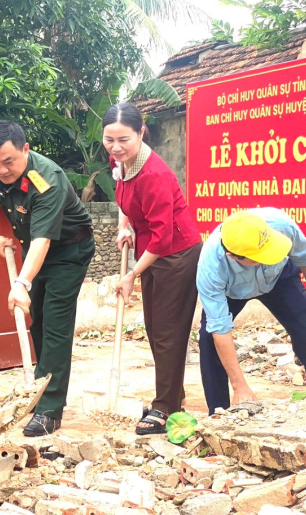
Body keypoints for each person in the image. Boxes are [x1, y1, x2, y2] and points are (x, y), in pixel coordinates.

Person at [0, 120, 95, 436]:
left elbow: (44, 241)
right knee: (37, 322)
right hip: (34, 248)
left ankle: (49, 411)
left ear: (25, 150)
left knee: (54, 323)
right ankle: (43, 389)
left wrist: (21, 283)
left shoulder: (47, 181)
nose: (1, 170)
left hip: (69, 250)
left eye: (9, 161)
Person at [104, 103, 202, 435]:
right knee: (154, 327)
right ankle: (172, 398)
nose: (116, 148)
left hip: (176, 254)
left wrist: (131, 274)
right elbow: (124, 200)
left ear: (141, 132)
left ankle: (163, 408)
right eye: (109, 140)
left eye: (124, 140)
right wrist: (124, 226)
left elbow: (162, 236)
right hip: (152, 252)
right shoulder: (120, 163)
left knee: (167, 333)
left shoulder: (156, 173)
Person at [197, 208, 306, 414]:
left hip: (279, 279)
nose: (268, 256)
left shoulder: (281, 225)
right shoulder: (211, 267)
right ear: (234, 257)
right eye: (260, 256)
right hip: (231, 291)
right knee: (209, 339)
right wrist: (240, 385)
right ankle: (220, 414)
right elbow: (220, 328)